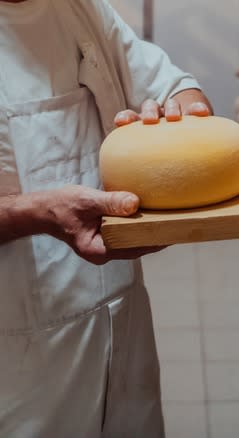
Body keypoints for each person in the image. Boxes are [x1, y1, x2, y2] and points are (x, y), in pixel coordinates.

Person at [0, 0, 212, 435]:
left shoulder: (82, 8)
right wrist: (38, 213)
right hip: (19, 356)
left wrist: (185, 113)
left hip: (120, 320)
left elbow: (171, 83)